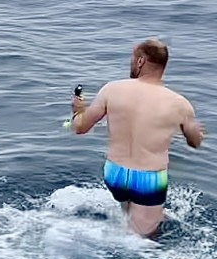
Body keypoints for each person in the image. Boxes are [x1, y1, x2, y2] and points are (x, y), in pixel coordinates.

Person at [71, 38, 205, 237]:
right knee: (143, 243)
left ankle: (133, 220)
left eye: (132, 59)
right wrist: (195, 131)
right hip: (147, 180)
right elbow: (195, 142)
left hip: (114, 174)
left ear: (141, 61)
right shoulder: (179, 103)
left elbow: (80, 127)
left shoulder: (111, 89)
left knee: (128, 217)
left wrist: (77, 110)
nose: (131, 63)